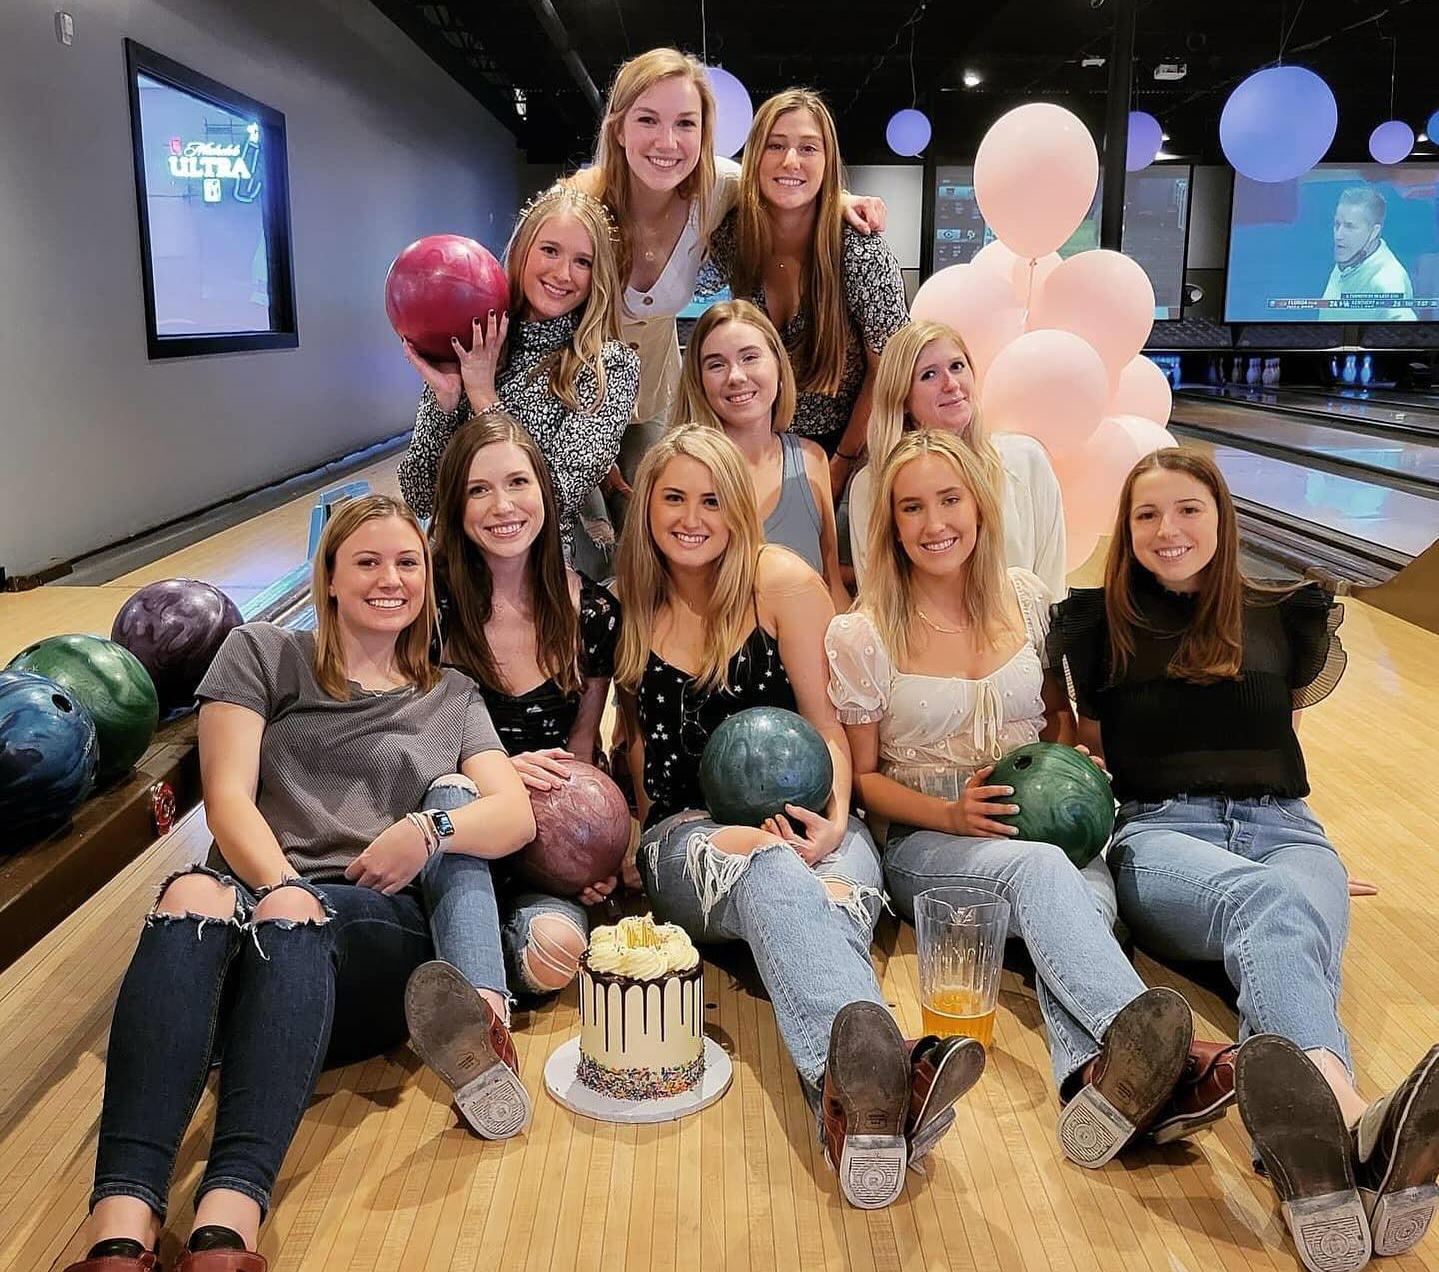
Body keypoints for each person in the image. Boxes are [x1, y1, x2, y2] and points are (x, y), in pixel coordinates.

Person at [48, 496, 535, 1272]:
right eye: (368, 562)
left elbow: (510, 812)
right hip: (264, 901)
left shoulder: (449, 693)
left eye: (408, 564)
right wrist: (278, 886)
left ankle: (227, 1224)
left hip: (369, 927)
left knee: (287, 917)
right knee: (197, 889)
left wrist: (424, 832)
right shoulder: (262, 654)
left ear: (428, 585)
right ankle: (119, 1229)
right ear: (330, 576)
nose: (390, 579)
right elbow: (228, 798)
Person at [1050, 446, 1439, 1272]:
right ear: (1125, 530)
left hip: (1285, 830)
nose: (1167, 529)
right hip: (1158, 833)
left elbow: (1280, 732)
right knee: (1270, 906)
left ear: (1221, 517)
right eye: (1146, 514)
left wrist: (1319, 861)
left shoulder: (1282, 611)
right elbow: (1079, 744)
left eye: (1187, 509)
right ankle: (1355, 1121)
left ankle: (1317, 1174)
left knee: (1289, 904)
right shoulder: (1095, 621)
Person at [829, 430, 1224, 1171]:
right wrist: (950, 814)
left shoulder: (1025, 597)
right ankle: (1156, 1056)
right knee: (1046, 875)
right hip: (928, 841)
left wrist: (1069, 766)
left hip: (1039, 822)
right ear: (889, 525)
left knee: (1087, 908)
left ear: (978, 507)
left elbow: (1055, 720)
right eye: (910, 507)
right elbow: (865, 779)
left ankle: (1094, 1083)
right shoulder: (862, 632)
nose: (933, 521)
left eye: (948, 499)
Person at [614, 425, 983, 1210]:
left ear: (737, 507)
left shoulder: (781, 582)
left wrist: (834, 818)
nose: (690, 516)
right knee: (779, 872)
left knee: (825, 888)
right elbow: (635, 741)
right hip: (691, 838)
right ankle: (873, 1070)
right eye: (673, 497)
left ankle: (860, 1109)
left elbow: (826, 723)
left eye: (711, 498)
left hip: (815, 819)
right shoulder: (632, 601)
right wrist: (641, 839)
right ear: (647, 506)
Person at [568, 50, 887, 502]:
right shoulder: (579, 207)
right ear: (618, 127)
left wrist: (841, 201)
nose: (667, 141)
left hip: (653, 401)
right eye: (647, 120)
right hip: (571, 396)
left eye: (685, 123)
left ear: (704, 134)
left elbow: (782, 182)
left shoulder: (715, 189)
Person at [426, 411, 624, 999]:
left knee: (556, 958)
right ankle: (479, 987)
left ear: (545, 491)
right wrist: (496, 773)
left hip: (541, 851)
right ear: (456, 509)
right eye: (478, 490)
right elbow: (401, 742)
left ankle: (485, 951)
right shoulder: (429, 607)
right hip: (453, 835)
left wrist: (594, 852)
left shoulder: (593, 613)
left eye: (517, 483)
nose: (502, 506)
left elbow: (581, 753)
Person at [397, 183, 640, 572]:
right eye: (549, 250)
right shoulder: (473, 344)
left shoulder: (610, 366)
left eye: (583, 261)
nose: (563, 273)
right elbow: (422, 495)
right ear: (523, 250)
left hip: (536, 581)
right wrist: (442, 405)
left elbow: (554, 491)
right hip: (455, 574)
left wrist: (482, 398)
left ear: (599, 274)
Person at [702, 88, 909, 499]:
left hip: (851, 449)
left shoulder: (859, 250)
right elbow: (674, 283)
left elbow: (887, 368)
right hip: (763, 443)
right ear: (755, 158)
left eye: (808, 148)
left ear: (827, 161)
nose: (790, 161)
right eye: (775, 145)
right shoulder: (735, 237)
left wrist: (843, 462)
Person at [848, 320, 1066, 597]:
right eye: (929, 375)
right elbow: (878, 600)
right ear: (901, 397)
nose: (951, 384)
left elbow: (1051, 592)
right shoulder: (871, 486)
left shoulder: (1026, 462)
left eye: (957, 367)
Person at [673, 299, 847, 608]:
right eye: (716, 364)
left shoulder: (812, 460)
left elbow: (831, 586)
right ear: (698, 382)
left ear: (779, 366)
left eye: (750, 357)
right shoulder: (680, 472)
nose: (736, 376)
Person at [1320, 186, 1416, 321]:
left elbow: (1407, 336)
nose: (1338, 235)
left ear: (1374, 232)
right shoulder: (1350, 258)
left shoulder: (1388, 282)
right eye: (1337, 224)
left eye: (1349, 226)